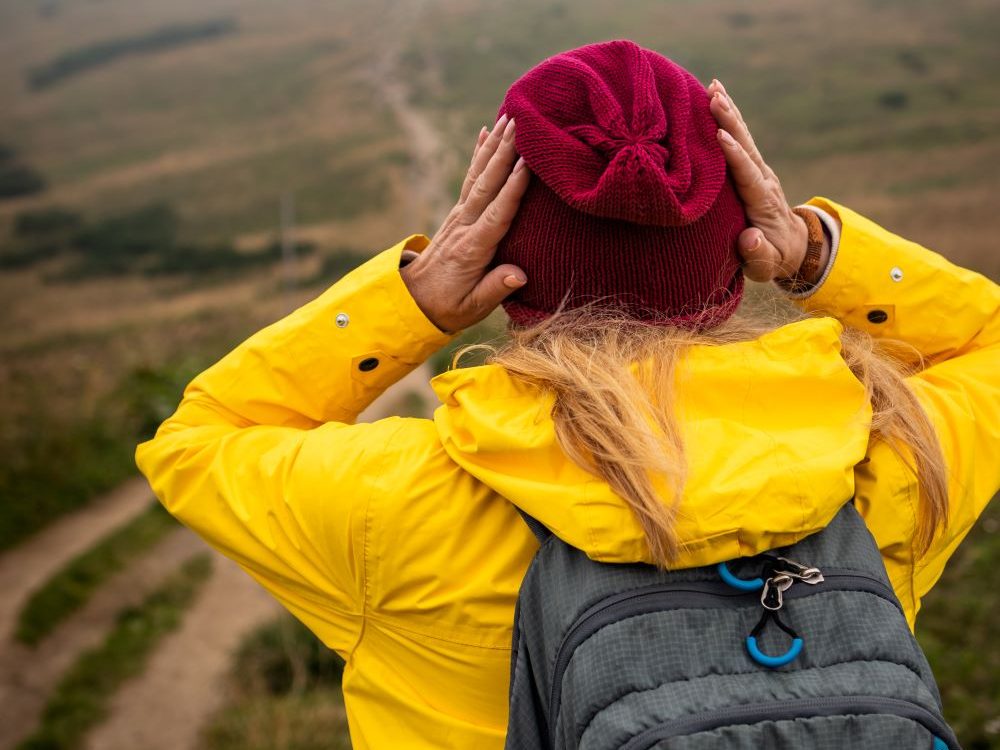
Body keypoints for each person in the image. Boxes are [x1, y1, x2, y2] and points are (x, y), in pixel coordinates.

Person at [135, 40, 998, 749]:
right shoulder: (890, 454)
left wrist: (413, 302)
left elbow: (198, 438)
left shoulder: (396, 501)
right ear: (734, 245)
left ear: (507, 259)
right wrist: (817, 251)